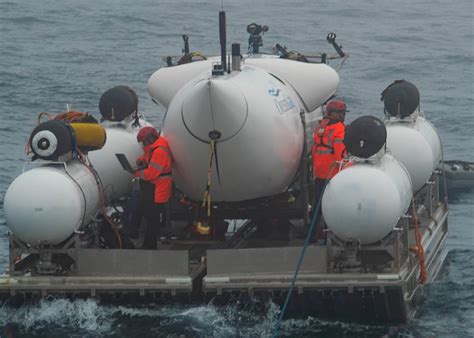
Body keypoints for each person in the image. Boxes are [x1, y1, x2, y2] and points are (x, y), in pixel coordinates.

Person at [311, 99, 348, 237]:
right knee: (332, 205)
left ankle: (313, 235)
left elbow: (315, 149)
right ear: (334, 113)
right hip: (333, 173)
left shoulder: (320, 126)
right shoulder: (339, 128)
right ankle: (331, 235)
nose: (344, 116)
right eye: (342, 113)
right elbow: (341, 154)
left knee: (317, 207)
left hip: (319, 172)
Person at [134, 126, 172, 249]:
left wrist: (137, 173)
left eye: (144, 141)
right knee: (151, 217)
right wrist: (140, 161)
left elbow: (151, 174)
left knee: (153, 220)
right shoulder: (153, 149)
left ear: (150, 139)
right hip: (153, 189)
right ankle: (149, 244)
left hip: (158, 190)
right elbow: (147, 158)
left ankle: (150, 245)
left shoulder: (159, 151)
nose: (143, 144)